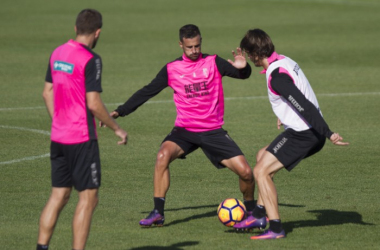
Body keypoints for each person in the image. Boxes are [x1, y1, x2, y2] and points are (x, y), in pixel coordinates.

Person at [106, 24, 255, 227]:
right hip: (185, 130)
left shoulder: (213, 62)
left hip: (212, 131)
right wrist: (121, 110)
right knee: (162, 156)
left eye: (197, 46)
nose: (194, 51)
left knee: (246, 173)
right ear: (180, 45)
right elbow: (148, 91)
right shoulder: (171, 69)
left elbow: (243, 75)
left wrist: (243, 66)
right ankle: (158, 213)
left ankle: (252, 211)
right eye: (189, 47)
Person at [232, 29, 349, 239]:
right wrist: (284, 113)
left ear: (256, 53)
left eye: (250, 54)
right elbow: (295, 93)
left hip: (305, 134)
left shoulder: (276, 77)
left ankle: (275, 228)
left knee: (261, 171)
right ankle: (259, 214)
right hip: (303, 130)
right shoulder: (284, 60)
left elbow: (303, 105)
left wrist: (328, 133)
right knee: (262, 156)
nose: (249, 58)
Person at [37, 9, 128, 250]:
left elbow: (47, 92)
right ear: (97, 32)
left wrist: (58, 120)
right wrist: (117, 128)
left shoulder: (57, 52)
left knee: (58, 196)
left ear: (76, 29)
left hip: (58, 136)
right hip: (81, 139)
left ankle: (41, 247)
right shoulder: (91, 59)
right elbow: (93, 102)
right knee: (88, 198)